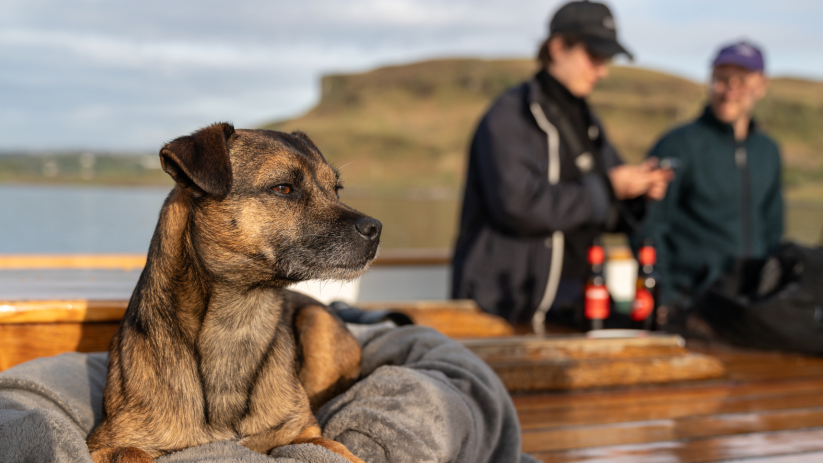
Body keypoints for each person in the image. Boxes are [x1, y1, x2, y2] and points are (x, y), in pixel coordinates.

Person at [451, 1, 672, 330]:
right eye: (594, 56)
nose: (603, 70)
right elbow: (518, 206)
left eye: (606, 59)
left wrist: (638, 191)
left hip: (580, 299)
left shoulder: (587, 120)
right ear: (557, 48)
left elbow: (608, 210)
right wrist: (610, 188)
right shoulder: (509, 116)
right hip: (510, 307)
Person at [632, 41, 783, 314]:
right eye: (722, 80)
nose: (729, 91)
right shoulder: (677, 145)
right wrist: (662, 296)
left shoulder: (768, 151)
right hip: (690, 304)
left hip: (748, 305)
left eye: (742, 81)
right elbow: (648, 224)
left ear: (761, 86)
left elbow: (773, 226)